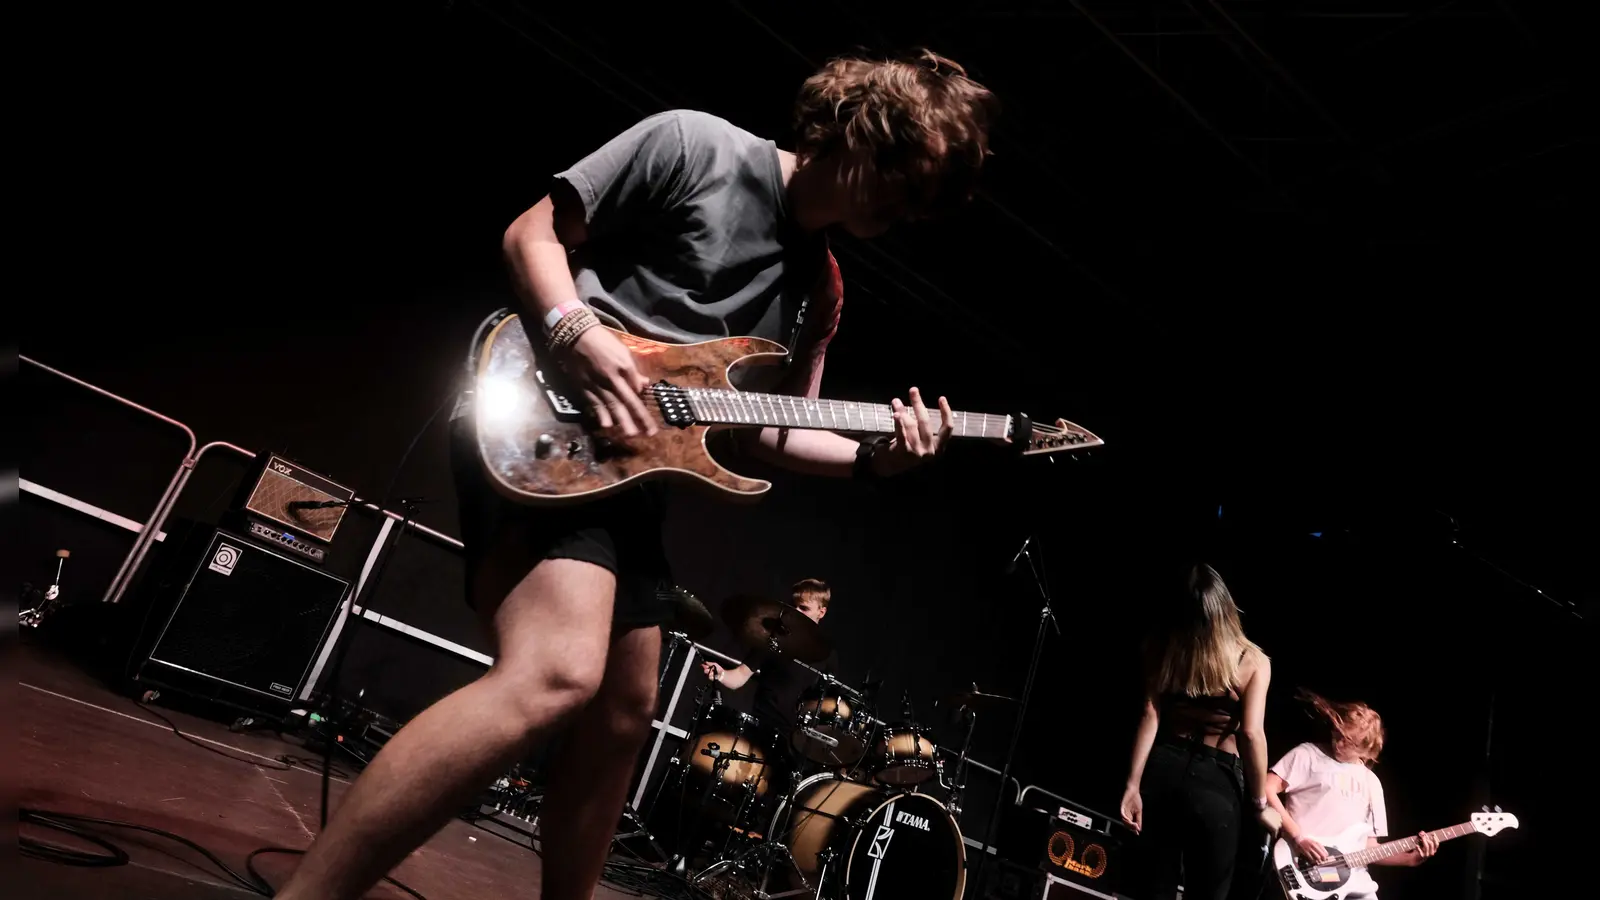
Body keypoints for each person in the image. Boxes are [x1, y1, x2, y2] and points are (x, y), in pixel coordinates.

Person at [274, 50, 998, 900]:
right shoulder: (693, 145)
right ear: (860, 127)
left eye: (920, 198)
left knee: (622, 716)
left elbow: (770, 432)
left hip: (629, 486)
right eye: (902, 174)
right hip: (543, 415)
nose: (900, 204)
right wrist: (578, 331)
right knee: (557, 673)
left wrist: (881, 458)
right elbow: (529, 232)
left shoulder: (821, 288)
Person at [1119, 564, 1275, 900]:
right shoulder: (1252, 660)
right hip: (1216, 784)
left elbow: (1150, 713)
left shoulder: (1160, 648)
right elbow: (1250, 734)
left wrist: (1133, 785)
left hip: (1162, 771)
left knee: (1152, 888)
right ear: (1226, 607)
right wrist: (1260, 802)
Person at [1263, 691, 1437, 898]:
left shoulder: (1371, 782)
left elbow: (1370, 848)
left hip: (1350, 876)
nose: (1338, 743)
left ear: (1368, 749)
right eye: (1338, 733)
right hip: (1304, 864)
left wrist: (1411, 860)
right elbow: (1267, 787)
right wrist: (1298, 837)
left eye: (1349, 742)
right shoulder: (1308, 754)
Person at [700, 578, 840, 778]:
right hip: (758, 729)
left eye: (804, 608)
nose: (796, 613)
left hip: (795, 745)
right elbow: (739, 676)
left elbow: (826, 706)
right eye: (793, 607)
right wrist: (721, 673)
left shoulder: (828, 655)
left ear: (821, 612)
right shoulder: (773, 640)